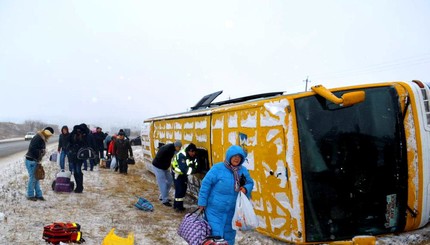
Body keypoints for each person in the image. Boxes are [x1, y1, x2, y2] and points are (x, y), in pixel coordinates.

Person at [198, 145, 254, 245]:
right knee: (215, 236)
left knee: (229, 237)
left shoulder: (243, 171)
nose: (237, 158)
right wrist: (202, 202)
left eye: (239, 157)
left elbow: (250, 183)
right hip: (214, 210)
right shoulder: (217, 168)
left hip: (232, 212)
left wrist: (246, 189)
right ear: (229, 156)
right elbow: (206, 185)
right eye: (234, 156)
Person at [24, 127, 54, 201]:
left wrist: (41, 153)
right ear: (47, 133)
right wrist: (42, 151)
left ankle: (39, 195)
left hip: (34, 160)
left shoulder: (41, 137)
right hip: (31, 160)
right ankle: (30, 195)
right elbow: (33, 149)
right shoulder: (39, 138)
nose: (49, 137)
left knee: (36, 177)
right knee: (33, 178)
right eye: (49, 135)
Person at [152, 140, 182, 207]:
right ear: (176, 146)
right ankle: (165, 200)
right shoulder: (167, 150)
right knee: (162, 183)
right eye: (179, 147)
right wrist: (165, 165)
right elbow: (159, 157)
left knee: (170, 180)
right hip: (158, 167)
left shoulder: (172, 149)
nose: (180, 149)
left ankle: (162, 196)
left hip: (164, 167)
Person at [68, 123, 96, 193]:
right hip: (73, 155)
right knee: (75, 171)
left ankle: (80, 187)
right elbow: (69, 142)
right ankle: (78, 186)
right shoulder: (73, 134)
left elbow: (86, 144)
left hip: (80, 156)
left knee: (78, 170)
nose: (78, 131)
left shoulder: (84, 135)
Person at [171, 143, 198, 212]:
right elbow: (184, 169)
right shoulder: (182, 155)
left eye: (195, 152)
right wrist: (193, 170)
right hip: (177, 174)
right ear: (189, 151)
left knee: (183, 189)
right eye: (193, 152)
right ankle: (178, 207)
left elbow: (195, 165)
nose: (194, 154)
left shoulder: (191, 155)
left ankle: (178, 205)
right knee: (179, 190)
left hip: (183, 175)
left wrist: (193, 169)